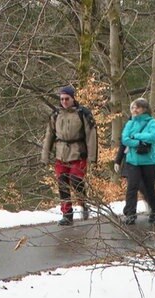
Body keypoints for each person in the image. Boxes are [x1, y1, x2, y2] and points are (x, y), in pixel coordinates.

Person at [41, 85, 98, 226]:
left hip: (78, 152)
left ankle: (83, 203)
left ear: (73, 98)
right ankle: (67, 214)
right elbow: (49, 135)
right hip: (61, 153)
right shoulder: (55, 114)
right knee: (62, 183)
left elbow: (91, 135)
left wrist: (92, 157)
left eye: (67, 98)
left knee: (76, 180)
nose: (64, 101)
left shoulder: (83, 113)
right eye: (62, 99)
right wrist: (45, 156)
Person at [121, 98, 155, 225]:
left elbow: (153, 136)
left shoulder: (151, 122)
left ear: (144, 109)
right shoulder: (130, 123)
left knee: (149, 187)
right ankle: (130, 214)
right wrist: (139, 142)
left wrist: (136, 136)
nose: (134, 110)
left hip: (150, 161)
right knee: (132, 187)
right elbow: (125, 139)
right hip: (132, 161)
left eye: (137, 107)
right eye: (133, 108)